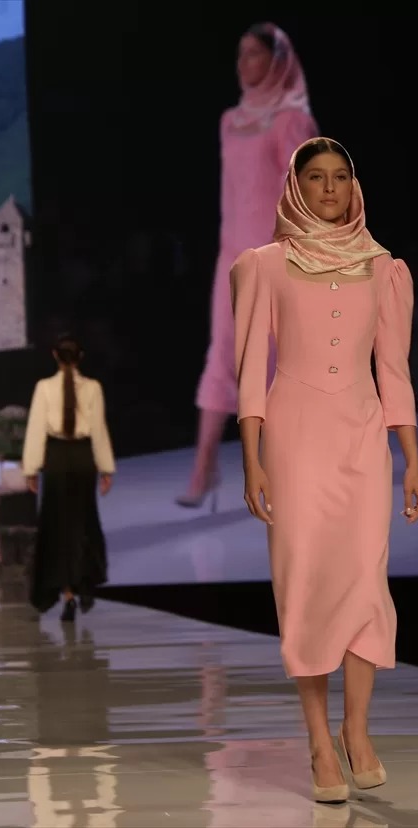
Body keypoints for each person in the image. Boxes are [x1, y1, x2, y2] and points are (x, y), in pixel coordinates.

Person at [232, 137, 418, 803]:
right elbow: (250, 370)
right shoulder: (265, 265)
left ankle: (357, 728)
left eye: (340, 176)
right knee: (307, 585)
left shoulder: (384, 268)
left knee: (366, 580)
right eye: (315, 177)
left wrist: (412, 459)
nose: (329, 189)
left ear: (353, 186)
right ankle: (319, 740)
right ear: (296, 187)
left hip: (363, 435)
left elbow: (394, 370)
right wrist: (252, 457)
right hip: (294, 439)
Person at [178, 22, 318, 510]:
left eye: (254, 54)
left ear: (277, 62)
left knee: (275, 363)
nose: (243, 64)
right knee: (222, 353)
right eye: (239, 54)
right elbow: (230, 193)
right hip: (232, 256)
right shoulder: (229, 121)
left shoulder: (292, 122)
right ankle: (204, 467)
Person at [22, 335, 115, 622]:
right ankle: (82, 585)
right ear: (80, 357)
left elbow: (36, 429)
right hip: (83, 459)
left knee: (58, 528)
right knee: (82, 522)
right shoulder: (93, 388)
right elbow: (98, 429)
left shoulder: (44, 388)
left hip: (57, 460)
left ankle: (68, 594)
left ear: (55, 355)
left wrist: (31, 468)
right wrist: (105, 468)